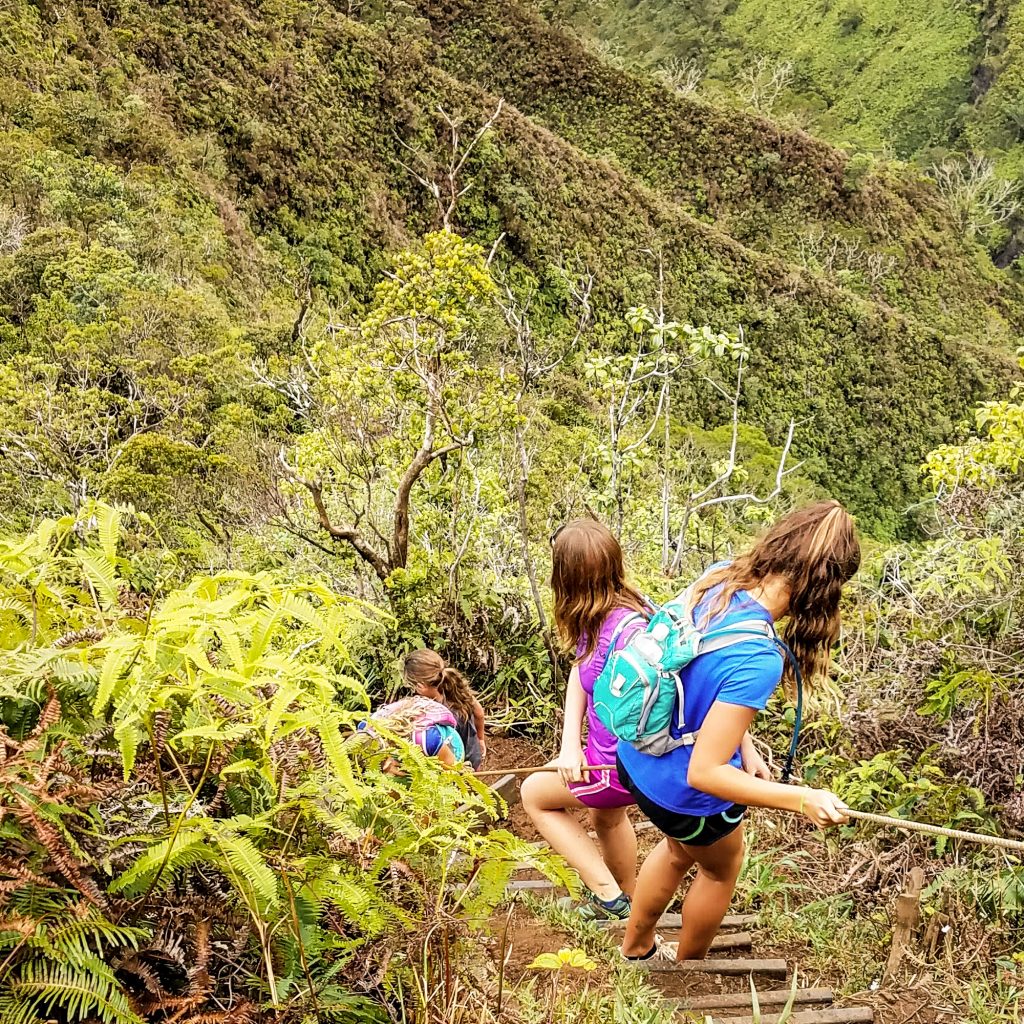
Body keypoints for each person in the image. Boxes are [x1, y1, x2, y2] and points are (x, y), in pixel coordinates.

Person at [618, 500, 860, 962]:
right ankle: (688, 970)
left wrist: (744, 748)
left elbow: (693, 676)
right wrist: (802, 798)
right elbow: (705, 774)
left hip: (636, 757)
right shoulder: (760, 657)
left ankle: (636, 949)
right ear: (827, 589)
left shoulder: (721, 578)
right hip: (683, 791)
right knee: (720, 870)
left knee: (676, 851)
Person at [521, 518, 648, 921]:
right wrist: (569, 744)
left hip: (614, 767)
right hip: (619, 760)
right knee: (606, 817)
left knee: (534, 795)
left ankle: (608, 895)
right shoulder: (625, 607)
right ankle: (625, 899)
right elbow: (581, 667)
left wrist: (584, 756)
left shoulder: (619, 633)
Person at [402, 650, 487, 769]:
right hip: (473, 754)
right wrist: (481, 739)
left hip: (459, 764)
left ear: (420, 686)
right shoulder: (457, 689)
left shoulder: (434, 714)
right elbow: (479, 713)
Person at [360, 695, 465, 768]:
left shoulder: (426, 739)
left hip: (449, 744)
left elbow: (452, 770)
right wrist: (382, 764)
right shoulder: (364, 727)